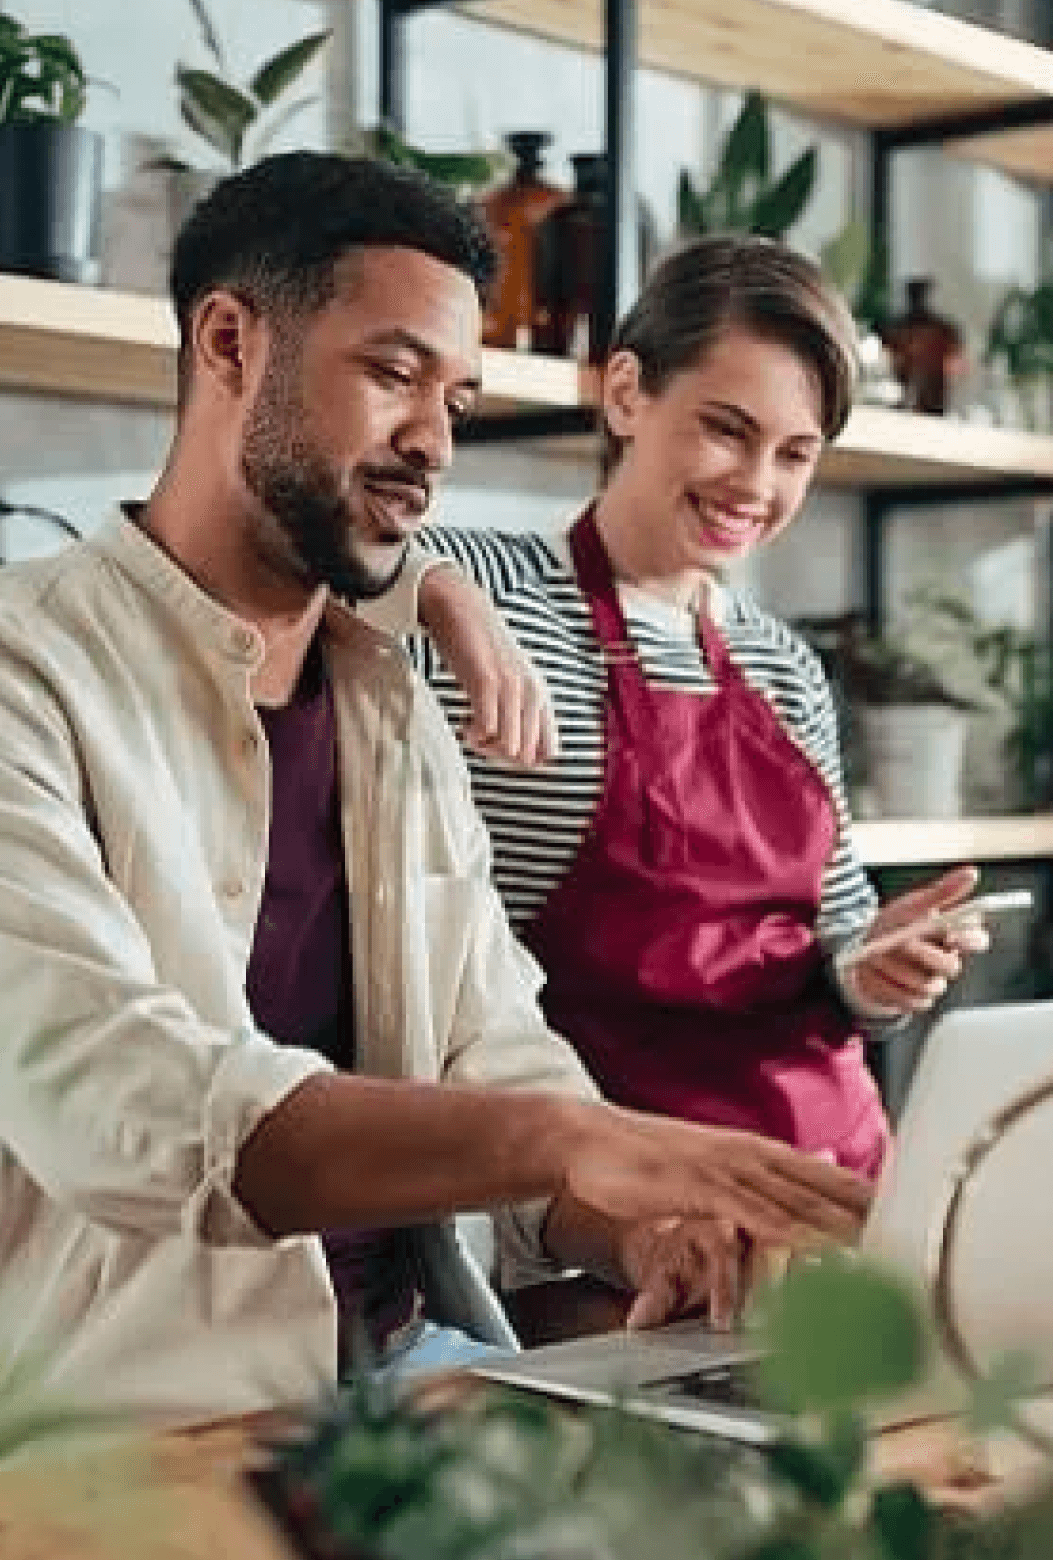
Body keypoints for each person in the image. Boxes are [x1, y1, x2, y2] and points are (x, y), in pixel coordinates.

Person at [0, 158, 870, 1487]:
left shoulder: (390, 706)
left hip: (398, 1420)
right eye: (394, 373)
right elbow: (120, 1102)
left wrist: (636, 1228)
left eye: (456, 400)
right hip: (84, 1471)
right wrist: (583, 1139)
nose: (435, 443)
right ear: (231, 342)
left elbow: (491, 1047)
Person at [409, 234, 988, 1181]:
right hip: (614, 1188)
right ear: (629, 393)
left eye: (795, 454)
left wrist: (878, 968)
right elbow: (325, 556)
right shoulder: (489, 592)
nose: (756, 486)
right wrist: (435, 592)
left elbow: (831, 952)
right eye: (727, 429)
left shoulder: (784, 663)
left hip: (834, 1168)